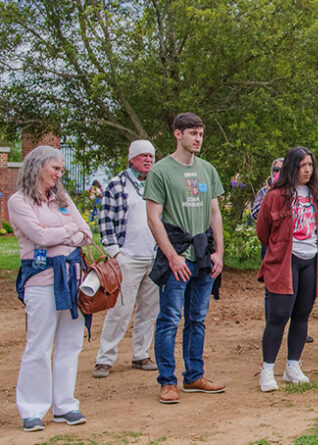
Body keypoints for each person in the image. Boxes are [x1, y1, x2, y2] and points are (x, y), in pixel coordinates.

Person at [144, 112, 227, 404]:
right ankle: (168, 381)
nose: (198, 138)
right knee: (169, 318)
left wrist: (219, 251)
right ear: (177, 134)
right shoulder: (160, 171)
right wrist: (172, 256)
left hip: (203, 254)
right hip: (176, 256)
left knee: (197, 318)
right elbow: (154, 218)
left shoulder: (207, 170)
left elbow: (215, 213)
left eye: (201, 133)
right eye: (193, 133)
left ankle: (194, 376)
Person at [11, 146, 92, 432]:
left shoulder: (62, 198)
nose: (59, 174)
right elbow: (39, 236)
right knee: (39, 344)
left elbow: (86, 233)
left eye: (60, 169)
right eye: (54, 168)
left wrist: (68, 235)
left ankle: (65, 405)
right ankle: (32, 409)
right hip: (41, 279)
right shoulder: (18, 201)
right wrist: (69, 233)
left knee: (70, 344)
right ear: (37, 167)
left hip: (72, 278)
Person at [255, 146, 318, 391]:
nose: (307, 170)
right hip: (286, 261)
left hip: (311, 260)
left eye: (310, 165)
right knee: (278, 315)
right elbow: (263, 232)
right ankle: (267, 370)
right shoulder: (275, 196)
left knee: (302, 315)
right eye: (301, 165)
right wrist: (281, 247)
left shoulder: (316, 195)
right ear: (291, 167)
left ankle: (292, 366)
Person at [93, 140, 160, 379]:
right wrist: (115, 252)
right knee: (120, 310)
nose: (148, 160)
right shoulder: (117, 184)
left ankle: (141, 354)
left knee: (149, 310)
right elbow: (105, 220)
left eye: (151, 156)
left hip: (154, 255)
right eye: (143, 156)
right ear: (131, 158)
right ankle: (105, 357)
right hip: (128, 257)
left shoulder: (157, 183)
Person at [250, 158, 283, 222]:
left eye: (283, 170)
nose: (279, 173)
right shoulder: (264, 191)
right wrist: (269, 194)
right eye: (276, 170)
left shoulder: (293, 191)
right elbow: (254, 214)